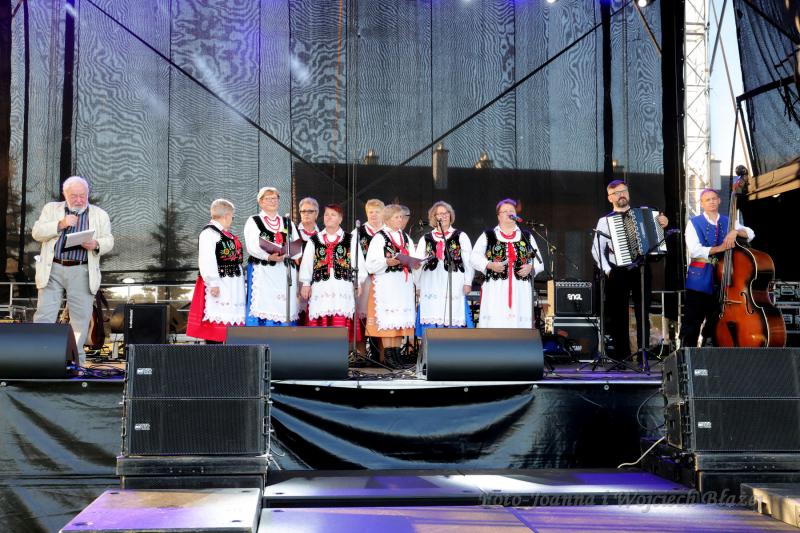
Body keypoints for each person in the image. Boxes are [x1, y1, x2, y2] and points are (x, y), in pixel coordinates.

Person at [32, 176, 114, 365]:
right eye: (74, 196)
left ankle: (75, 361)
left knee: (80, 319)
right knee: (44, 315)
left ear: (88, 194)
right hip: (53, 268)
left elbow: (109, 240)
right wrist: (60, 224)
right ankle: (40, 359)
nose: (78, 199)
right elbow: (37, 233)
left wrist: (96, 244)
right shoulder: (51, 209)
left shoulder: (99, 214)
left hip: (81, 270)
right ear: (65, 194)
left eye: (82, 195)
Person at [591, 180, 668, 361]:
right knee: (619, 315)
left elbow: (657, 236)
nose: (621, 195)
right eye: (616, 193)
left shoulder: (644, 214)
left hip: (641, 268)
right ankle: (621, 357)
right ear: (610, 198)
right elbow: (596, 249)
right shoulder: (605, 221)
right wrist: (607, 270)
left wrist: (663, 223)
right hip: (617, 270)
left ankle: (643, 356)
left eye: (623, 191)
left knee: (643, 312)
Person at [680, 188, 754, 347]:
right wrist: (720, 248)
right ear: (702, 203)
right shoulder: (694, 222)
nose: (712, 202)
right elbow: (695, 250)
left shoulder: (729, 221)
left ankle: (711, 347)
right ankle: (687, 354)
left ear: (719, 200)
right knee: (692, 320)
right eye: (707, 200)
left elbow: (750, 233)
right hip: (700, 277)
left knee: (717, 318)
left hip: (724, 277)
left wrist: (735, 231)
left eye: (714, 198)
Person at [471, 199, 543, 328]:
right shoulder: (488, 235)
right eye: (505, 211)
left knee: (520, 325)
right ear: (498, 216)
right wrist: (489, 265)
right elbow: (474, 258)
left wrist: (531, 268)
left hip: (520, 289)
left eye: (512, 211)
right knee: (495, 324)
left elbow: (539, 263)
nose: (509, 213)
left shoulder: (526, 236)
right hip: (495, 288)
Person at [299, 204, 367, 340]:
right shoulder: (314, 239)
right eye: (326, 214)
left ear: (340, 219)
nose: (329, 217)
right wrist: (306, 283)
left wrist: (358, 282)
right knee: (321, 317)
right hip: (321, 287)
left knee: (340, 318)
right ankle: (321, 350)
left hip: (342, 287)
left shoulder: (350, 239)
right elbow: (307, 263)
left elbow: (358, 263)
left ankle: (340, 350)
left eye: (333, 215)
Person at [186, 199, 246, 342]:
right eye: (232, 216)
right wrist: (213, 283)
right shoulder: (209, 233)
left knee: (230, 322)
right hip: (220, 284)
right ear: (226, 215)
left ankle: (229, 353)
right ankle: (214, 355)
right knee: (215, 324)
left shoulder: (223, 233)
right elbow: (207, 259)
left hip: (232, 285)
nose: (232, 219)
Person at [365, 204, 417, 367]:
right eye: (397, 217)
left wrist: (415, 262)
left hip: (402, 284)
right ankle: (388, 357)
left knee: (399, 320)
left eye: (401, 217)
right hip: (386, 284)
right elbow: (370, 264)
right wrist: (387, 262)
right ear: (387, 219)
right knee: (388, 319)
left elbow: (413, 258)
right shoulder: (380, 237)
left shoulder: (406, 238)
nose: (400, 220)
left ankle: (396, 355)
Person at [414, 201, 475, 336]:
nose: (444, 216)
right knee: (432, 312)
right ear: (434, 217)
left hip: (454, 281)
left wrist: (468, 282)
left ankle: (452, 345)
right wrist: (418, 285)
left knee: (453, 312)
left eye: (446, 213)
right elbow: (417, 263)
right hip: (431, 282)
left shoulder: (460, 236)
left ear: (450, 215)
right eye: (439, 214)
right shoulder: (426, 238)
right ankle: (432, 345)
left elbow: (468, 262)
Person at [243, 187, 301, 326]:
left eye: (275, 198)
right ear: (260, 202)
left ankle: (285, 335)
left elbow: (297, 247)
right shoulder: (254, 220)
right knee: (264, 303)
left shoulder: (287, 222)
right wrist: (268, 256)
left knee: (285, 306)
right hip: (264, 270)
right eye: (268, 198)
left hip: (284, 271)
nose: (272, 201)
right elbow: (252, 245)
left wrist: (288, 252)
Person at [352, 199, 386, 355]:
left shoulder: (387, 231)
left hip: (384, 279)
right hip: (364, 280)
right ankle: (361, 354)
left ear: (383, 213)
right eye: (370, 212)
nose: (374, 215)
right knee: (362, 315)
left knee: (381, 315)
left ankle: (382, 355)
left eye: (377, 212)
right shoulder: (358, 232)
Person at [296, 197, 320, 325]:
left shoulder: (322, 235)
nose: (306, 214)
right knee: (296, 310)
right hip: (296, 277)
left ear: (316, 214)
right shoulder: (292, 231)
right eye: (303, 211)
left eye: (310, 211)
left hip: (316, 278)